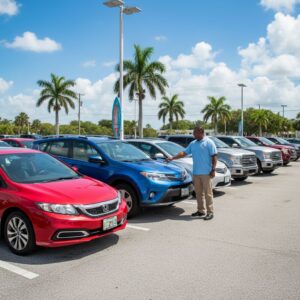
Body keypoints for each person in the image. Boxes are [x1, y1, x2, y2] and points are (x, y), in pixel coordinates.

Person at [167, 127, 217, 220]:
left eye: (195, 133)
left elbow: (214, 156)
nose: (194, 135)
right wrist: (173, 157)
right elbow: (184, 153)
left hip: (206, 173)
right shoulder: (193, 143)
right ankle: (201, 211)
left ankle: (210, 212)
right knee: (198, 193)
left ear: (201, 132)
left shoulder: (209, 142)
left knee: (208, 193)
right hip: (196, 173)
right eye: (193, 133)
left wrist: (213, 169)